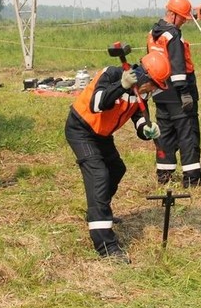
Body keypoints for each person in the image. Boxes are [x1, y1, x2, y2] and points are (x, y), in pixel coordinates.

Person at [65, 51, 170, 263]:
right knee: (99, 176)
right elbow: (97, 104)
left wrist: (147, 129)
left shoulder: (141, 93)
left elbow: (139, 117)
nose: (155, 90)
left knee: (116, 169)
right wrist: (120, 85)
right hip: (82, 129)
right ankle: (106, 246)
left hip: (102, 135)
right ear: (144, 77)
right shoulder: (111, 75)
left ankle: (98, 210)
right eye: (155, 85)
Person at [147, 0, 201, 188]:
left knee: (165, 134)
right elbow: (178, 68)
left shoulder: (153, 34)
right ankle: (192, 179)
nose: (184, 23)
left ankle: (164, 175)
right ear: (172, 14)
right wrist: (185, 93)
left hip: (160, 92)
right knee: (187, 134)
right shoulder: (173, 34)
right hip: (177, 94)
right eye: (183, 18)